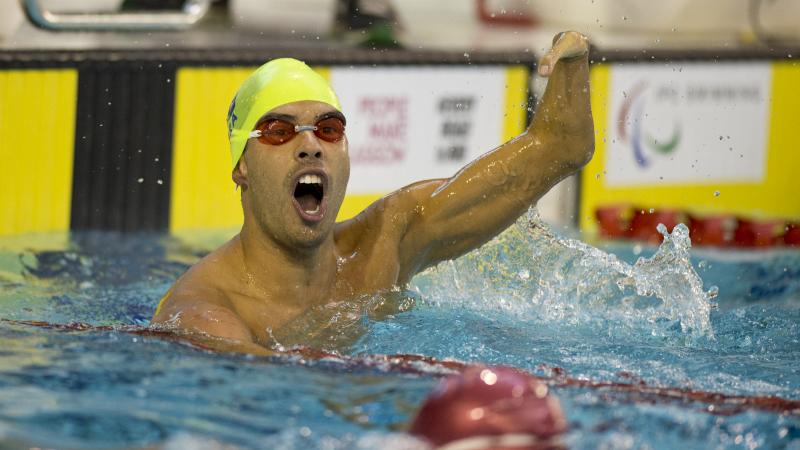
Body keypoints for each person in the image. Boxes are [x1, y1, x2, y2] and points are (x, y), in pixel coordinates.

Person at [151, 31, 594, 355]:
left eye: (329, 129)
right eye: (277, 131)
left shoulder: (383, 245)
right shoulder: (203, 314)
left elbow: (561, 148)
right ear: (241, 167)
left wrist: (572, 57)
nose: (310, 145)